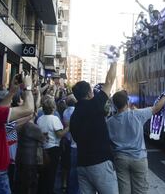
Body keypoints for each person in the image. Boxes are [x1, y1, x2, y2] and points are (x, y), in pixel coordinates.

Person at [106, 85, 165, 194]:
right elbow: (157, 107)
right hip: (138, 158)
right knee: (140, 191)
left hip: (120, 159)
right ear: (127, 103)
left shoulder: (109, 122)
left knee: (124, 191)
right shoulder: (137, 115)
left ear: (114, 105)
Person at [70, 61, 118, 194]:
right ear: (90, 93)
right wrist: (114, 62)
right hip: (100, 163)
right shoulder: (95, 104)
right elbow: (109, 81)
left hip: (82, 164)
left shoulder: (74, 115)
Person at [37, 95, 69, 194]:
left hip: (43, 148)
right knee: (51, 173)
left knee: (43, 174)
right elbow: (59, 134)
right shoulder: (54, 119)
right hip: (53, 148)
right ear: (53, 108)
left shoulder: (40, 119)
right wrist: (68, 127)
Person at [62, 94, 79, 194]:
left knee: (67, 166)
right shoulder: (76, 112)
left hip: (67, 139)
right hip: (74, 142)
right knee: (74, 169)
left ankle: (66, 185)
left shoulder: (65, 111)